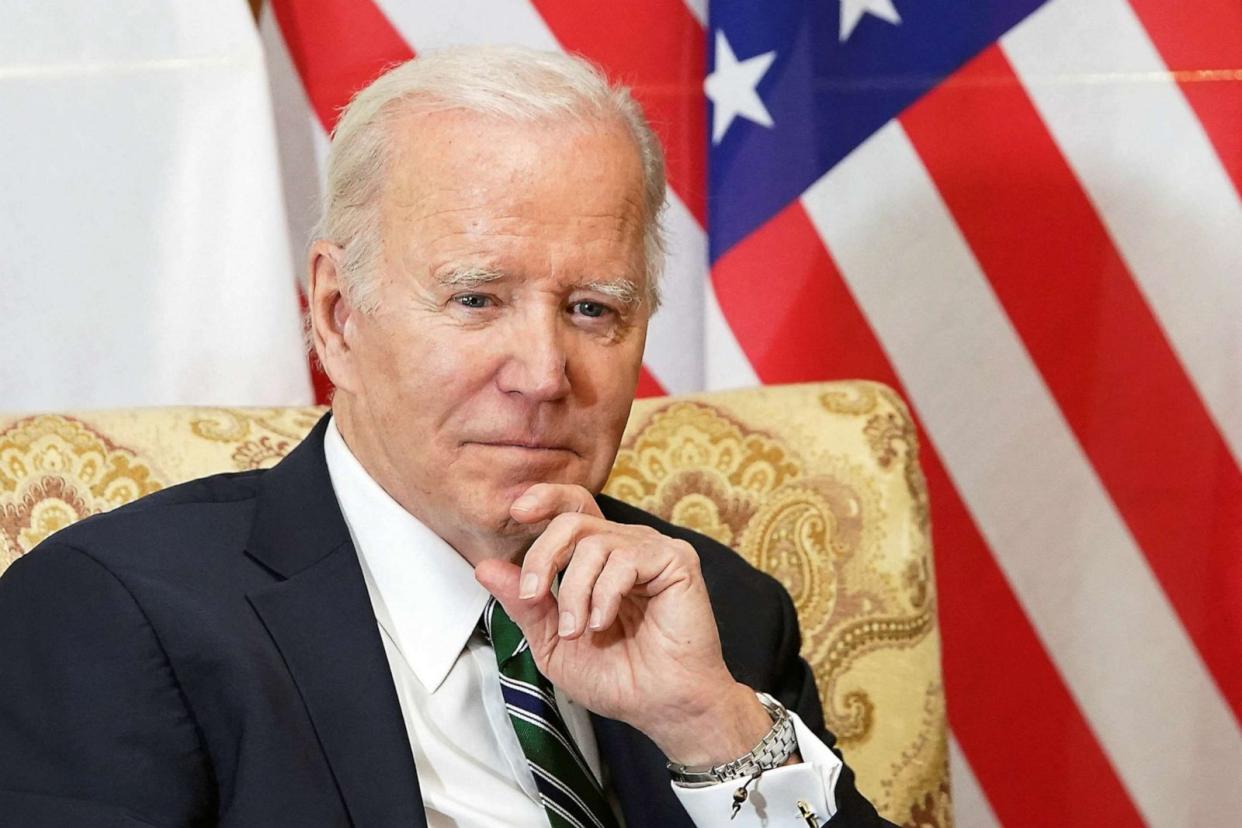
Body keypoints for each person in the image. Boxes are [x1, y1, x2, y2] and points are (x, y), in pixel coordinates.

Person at [0, 46, 893, 827]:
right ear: (338, 315)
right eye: (476, 300)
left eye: (593, 309)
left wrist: (713, 729)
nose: (544, 374)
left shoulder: (723, 615)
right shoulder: (112, 617)